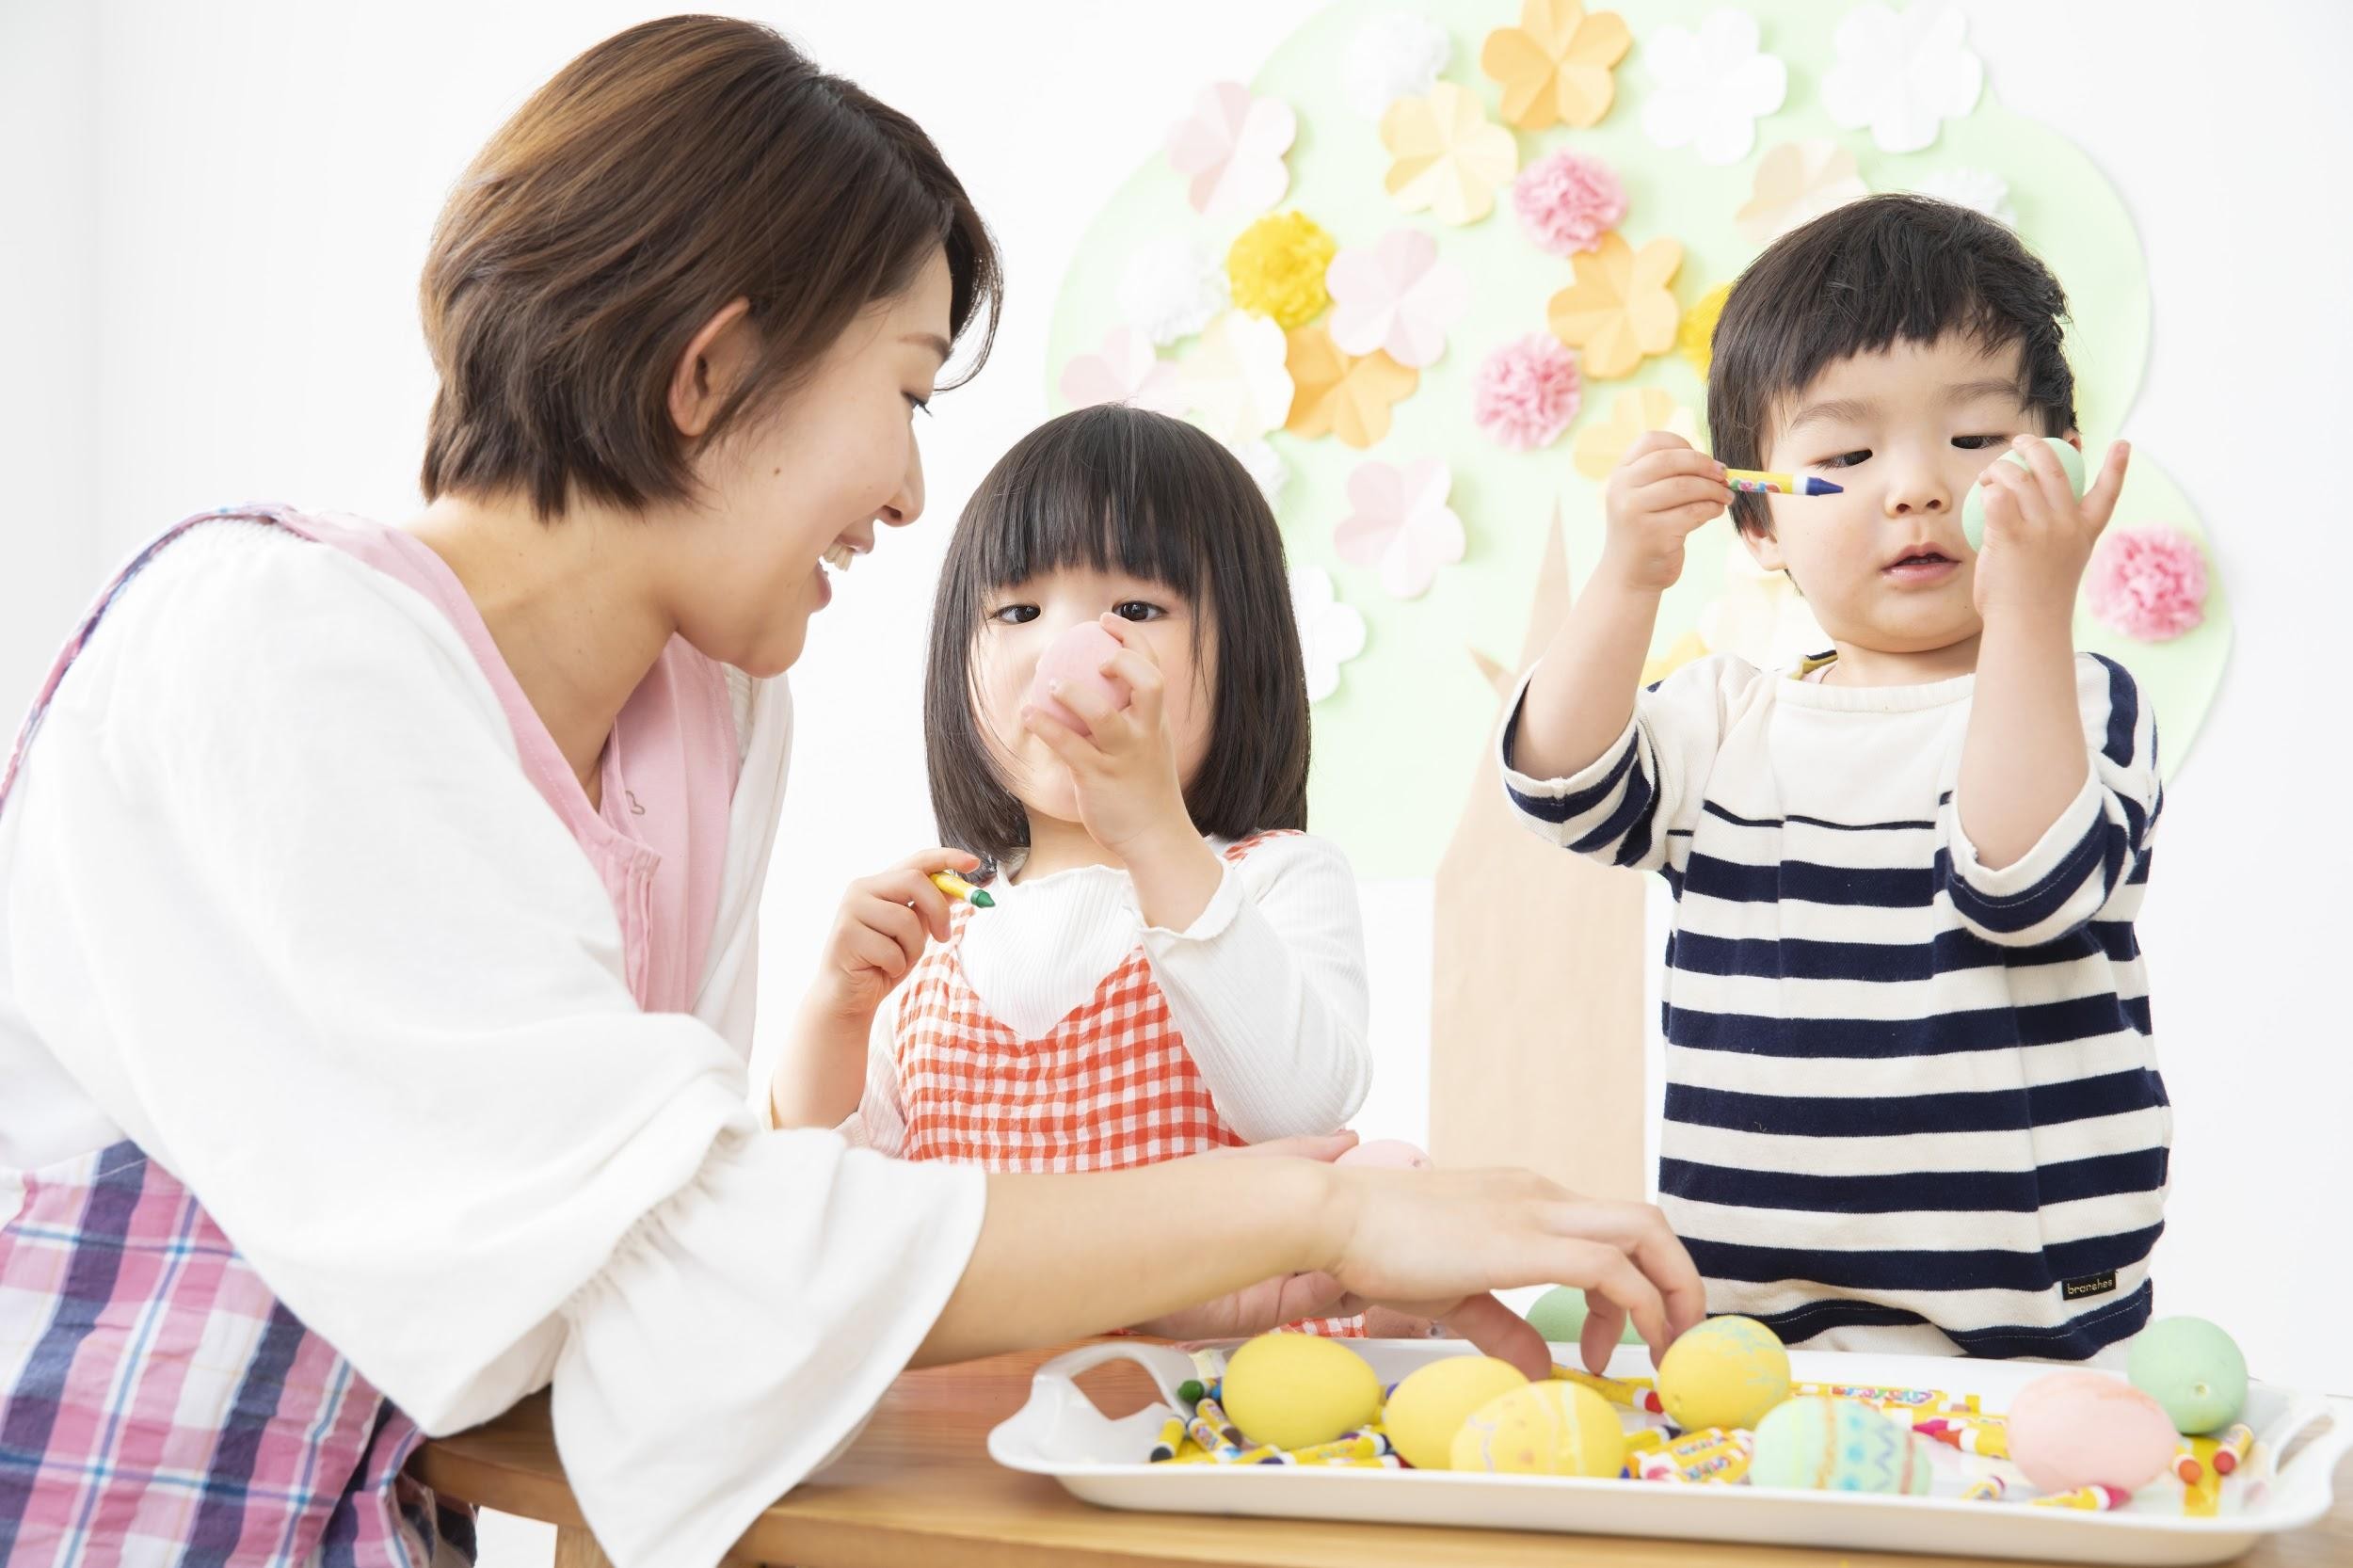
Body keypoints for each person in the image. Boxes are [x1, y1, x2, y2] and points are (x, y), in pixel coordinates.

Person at [0, 19, 1703, 1568]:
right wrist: (1322, 1202)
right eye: (900, 389)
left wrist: (1250, 1263)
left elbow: (654, 1302)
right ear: (710, 373)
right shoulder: (274, 647)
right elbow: (710, 1256)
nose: (907, 493)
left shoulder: (711, 714)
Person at [1499, 193, 2167, 1362]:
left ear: (2057, 459)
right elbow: (1561, 787)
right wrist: (1626, 578)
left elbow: (2022, 885)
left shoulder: (2080, 699)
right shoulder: (1723, 718)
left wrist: (2031, 602)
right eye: (1847, 456)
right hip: (1749, 1321)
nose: (1915, 487)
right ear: (1758, 519)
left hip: (2030, 1325)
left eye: (1975, 440)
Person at [776, 404, 1375, 1335]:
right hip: (986, 1409)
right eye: (1018, 612)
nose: (1067, 653)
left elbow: (1298, 1105)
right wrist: (833, 1016)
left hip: (1223, 1407)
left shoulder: (1271, 879)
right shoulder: (944, 917)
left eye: (1136, 610)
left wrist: (1153, 830)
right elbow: (818, 1211)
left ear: (1245, 649)